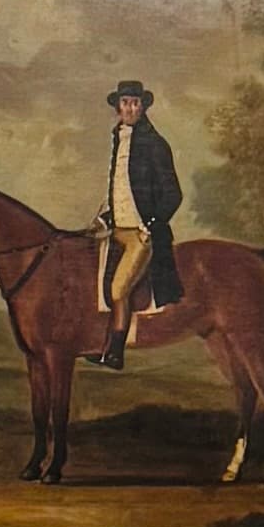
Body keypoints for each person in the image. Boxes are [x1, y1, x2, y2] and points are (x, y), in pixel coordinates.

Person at [94, 81, 183, 368]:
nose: (130, 108)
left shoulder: (155, 144)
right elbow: (123, 190)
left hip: (141, 234)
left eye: (135, 103)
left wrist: (152, 224)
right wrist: (107, 217)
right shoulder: (118, 139)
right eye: (125, 102)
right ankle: (96, 341)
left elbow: (173, 194)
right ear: (118, 107)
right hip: (117, 229)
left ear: (142, 107)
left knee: (119, 290)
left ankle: (115, 353)